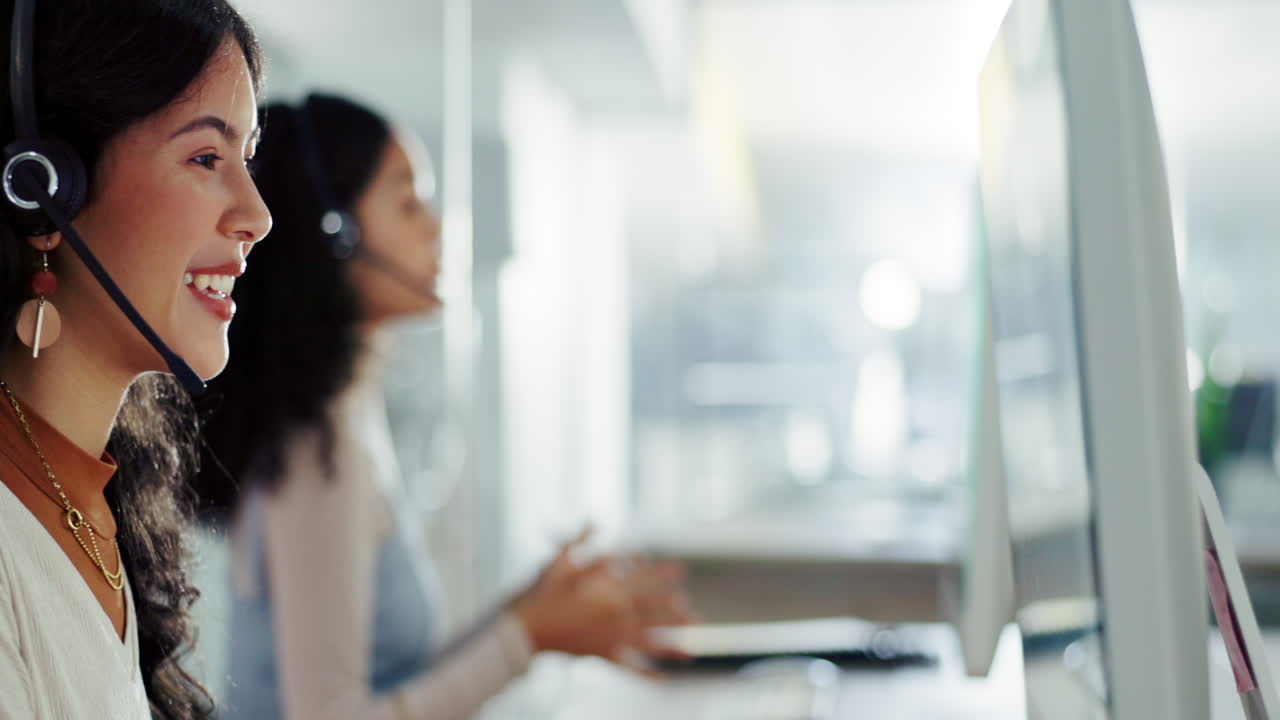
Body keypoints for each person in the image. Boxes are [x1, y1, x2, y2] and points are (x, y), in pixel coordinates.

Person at [193, 94, 693, 720]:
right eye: (407, 202)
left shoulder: (346, 419)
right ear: (336, 235)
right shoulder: (322, 455)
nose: (436, 225)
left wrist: (530, 614)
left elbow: (396, 678)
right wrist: (528, 635)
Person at [0, 1, 271, 719]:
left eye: (247, 159)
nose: (257, 214)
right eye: (206, 158)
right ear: (44, 193)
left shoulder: (98, 495)